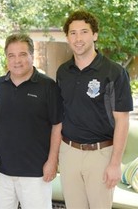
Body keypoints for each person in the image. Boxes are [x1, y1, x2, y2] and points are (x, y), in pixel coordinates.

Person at [56, 10, 133, 209]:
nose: (78, 38)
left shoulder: (114, 72)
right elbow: (59, 116)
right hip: (69, 153)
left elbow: (122, 120)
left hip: (101, 154)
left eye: (84, 32)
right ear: (67, 38)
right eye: (73, 33)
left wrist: (115, 164)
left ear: (95, 35)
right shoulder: (63, 72)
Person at [0, 33, 63, 209]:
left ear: (32, 55)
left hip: (36, 172)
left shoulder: (48, 86)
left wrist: (52, 161)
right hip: (1, 172)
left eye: (22, 54)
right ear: (6, 59)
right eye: (11, 55)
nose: (17, 60)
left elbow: (57, 125)